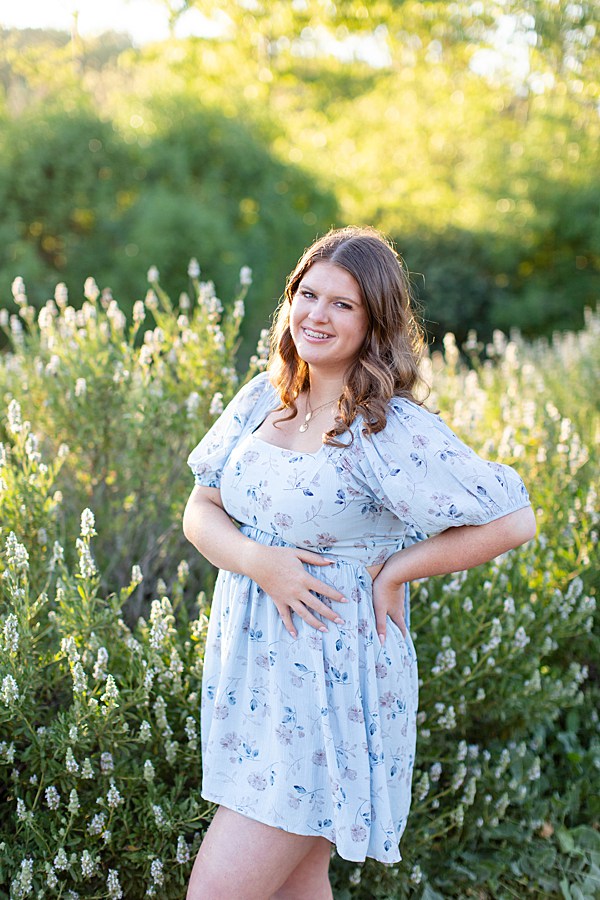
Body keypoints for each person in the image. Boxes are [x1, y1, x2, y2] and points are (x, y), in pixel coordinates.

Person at [183, 226, 536, 899]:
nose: (316, 315)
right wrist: (262, 563)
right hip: (253, 681)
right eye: (307, 295)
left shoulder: (385, 425)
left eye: (342, 304)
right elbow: (200, 509)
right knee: (298, 884)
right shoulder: (263, 399)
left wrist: (397, 570)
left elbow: (514, 519)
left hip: (330, 685)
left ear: (375, 320)